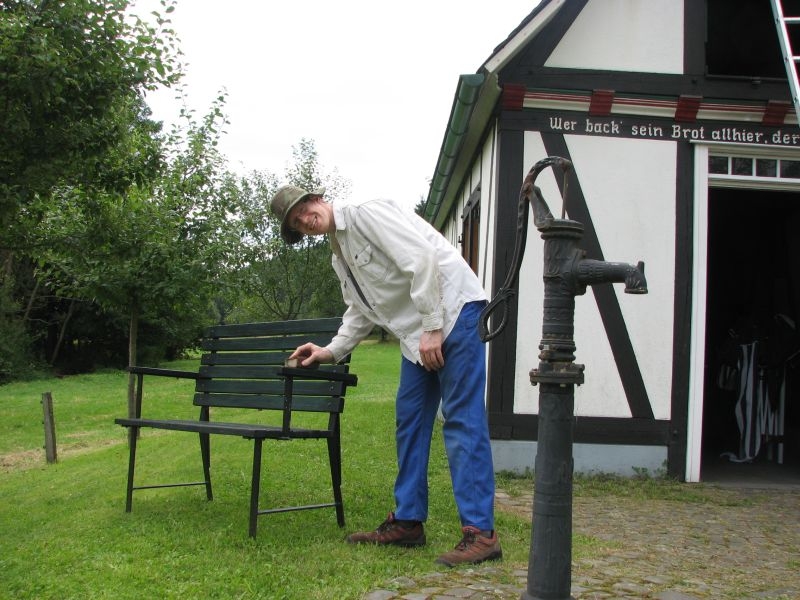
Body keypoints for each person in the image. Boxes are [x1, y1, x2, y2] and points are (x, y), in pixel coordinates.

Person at [269, 184, 501, 567]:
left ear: (317, 199)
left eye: (304, 209)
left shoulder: (365, 213)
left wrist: (432, 326)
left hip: (454, 313)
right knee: (409, 420)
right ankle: (408, 522)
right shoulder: (339, 255)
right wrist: (329, 351)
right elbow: (360, 311)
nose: (305, 221)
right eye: (296, 222)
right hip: (419, 335)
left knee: (462, 419)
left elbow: (421, 259)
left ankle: (481, 534)